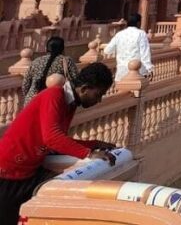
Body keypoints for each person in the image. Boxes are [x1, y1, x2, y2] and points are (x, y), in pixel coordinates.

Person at [0, 63, 116, 225]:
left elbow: (58, 139)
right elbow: (52, 138)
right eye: (98, 94)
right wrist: (88, 153)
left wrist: (94, 144)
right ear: (84, 88)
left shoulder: (69, 103)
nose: (99, 100)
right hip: (9, 171)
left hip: (29, 170)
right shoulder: (54, 95)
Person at [22, 36, 79, 105]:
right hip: (52, 101)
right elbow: (76, 79)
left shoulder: (36, 61)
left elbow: (25, 84)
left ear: (47, 48)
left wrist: (29, 95)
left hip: (32, 101)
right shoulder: (66, 61)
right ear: (62, 49)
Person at [103, 14, 153, 82]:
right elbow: (145, 53)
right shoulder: (141, 34)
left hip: (121, 72)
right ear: (138, 23)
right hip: (137, 73)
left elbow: (107, 50)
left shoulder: (119, 34)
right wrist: (149, 68)